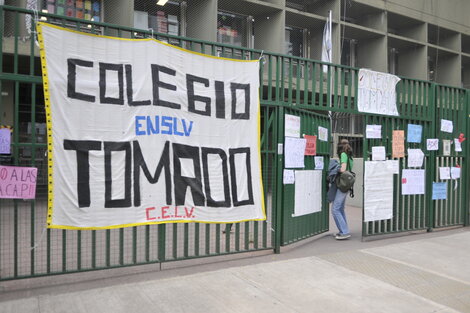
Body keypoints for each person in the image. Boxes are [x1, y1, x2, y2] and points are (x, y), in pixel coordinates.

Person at [332, 139, 354, 240]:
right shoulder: (350, 156)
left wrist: (337, 168)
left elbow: (343, 169)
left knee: (335, 209)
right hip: (348, 184)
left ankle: (344, 232)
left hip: (343, 184)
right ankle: (343, 230)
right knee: (340, 208)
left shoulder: (343, 155)